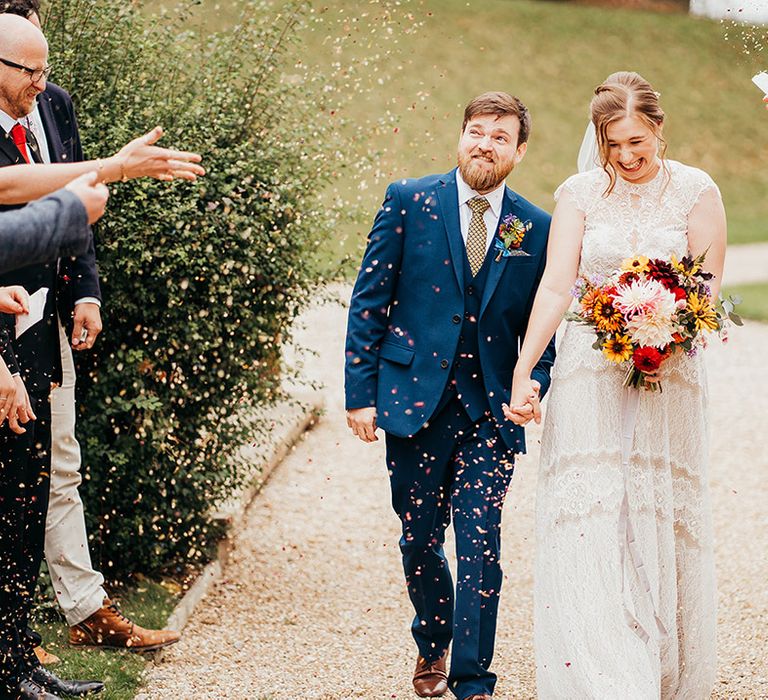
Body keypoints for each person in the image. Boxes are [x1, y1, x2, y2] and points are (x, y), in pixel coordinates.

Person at [0, 12, 203, 698]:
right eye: (32, 70)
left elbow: (76, 210)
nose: (44, 84)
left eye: (46, 68)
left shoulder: (49, 104)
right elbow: (10, 194)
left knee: (40, 479)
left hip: (38, 319)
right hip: (5, 320)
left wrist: (84, 290)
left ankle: (22, 651)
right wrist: (118, 166)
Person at [506, 71, 725, 698]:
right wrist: (526, 371)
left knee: (655, 504)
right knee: (594, 505)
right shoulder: (577, 193)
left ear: (659, 129)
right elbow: (555, 287)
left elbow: (706, 288)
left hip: (671, 372)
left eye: (637, 142)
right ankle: (600, 664)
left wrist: (668, 327)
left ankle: (658, 653)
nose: (626, 157)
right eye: (613, 145)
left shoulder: (697, 192)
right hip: (590, 371)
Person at [345, 92, 555, 700]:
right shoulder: (409, 201)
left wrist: (534, 382)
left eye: (499, 135)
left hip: (489, 413)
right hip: (414, 404)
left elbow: (546, 324)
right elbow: (369, 302)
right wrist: (361, 394)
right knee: (419, 538)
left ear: (518, 150)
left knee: (481, 543)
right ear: (460, 137)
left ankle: (472, 677)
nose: (484, 143)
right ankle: (431, 641)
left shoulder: (533, 226)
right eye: (475, 131)